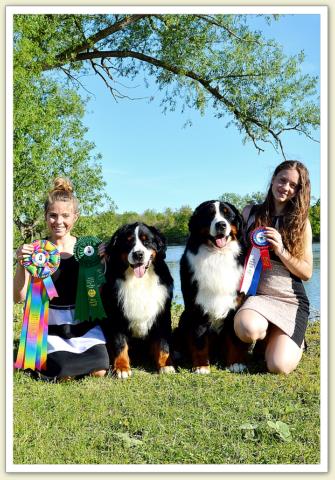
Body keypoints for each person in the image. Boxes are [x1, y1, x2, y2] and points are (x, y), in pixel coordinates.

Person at [13, 177, 110, 381]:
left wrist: (100, 264)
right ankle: (45, 359)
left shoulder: (87, 250)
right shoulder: (36, 251)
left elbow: (96, 297)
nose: (59, 222)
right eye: (53, 215)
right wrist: (22, 265)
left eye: (65, 215)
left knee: (100, 370)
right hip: (48, 328)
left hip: (83, 326)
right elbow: (18, 297)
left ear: (75, 217)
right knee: (64, 371)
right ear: (45, 216)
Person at [234, 160, 313, 374]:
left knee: (279, 366)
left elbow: (306, 272)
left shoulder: (301, 223)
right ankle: (267, 335)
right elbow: (234, 254)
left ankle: (290, 338)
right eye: (282, 180)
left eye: (293, 185)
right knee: (248, 329)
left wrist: (281, 251)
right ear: (273, 180)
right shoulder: (249, 212)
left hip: (290, 301)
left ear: (298, 191)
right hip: (258, 299)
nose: (285, 187)